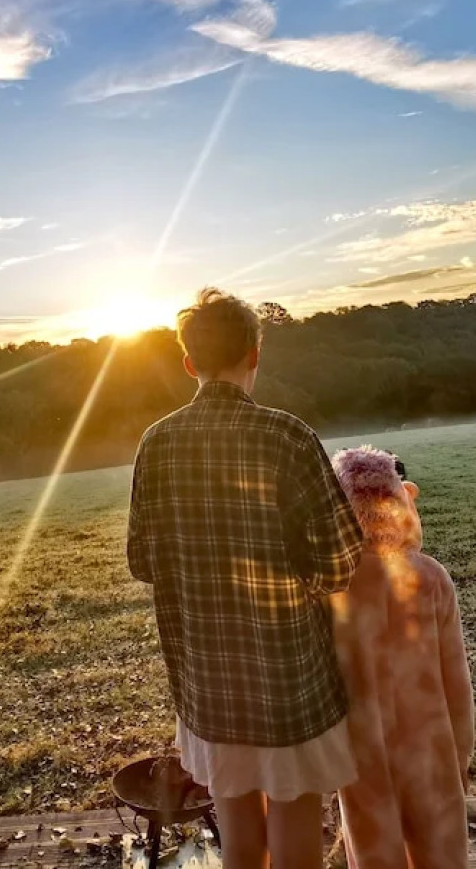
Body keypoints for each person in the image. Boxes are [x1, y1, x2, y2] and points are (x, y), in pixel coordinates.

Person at [127, 288, 366, 869]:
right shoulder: (288, 436)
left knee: (237, 831)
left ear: (189, 362)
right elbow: (340, 563)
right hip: (289, 681)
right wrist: (300, 585)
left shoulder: (155, 445)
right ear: (255, 354)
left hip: (207, 684)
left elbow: (142, 562)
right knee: (296, 833)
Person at [330, 446, 474, 869]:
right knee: (441, 850)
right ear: (403, 498)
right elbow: (456, 678)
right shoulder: (431, 579)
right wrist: (461, 751)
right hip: (431, 749)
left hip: (361, 753)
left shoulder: (334, 585)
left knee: (374, 853)